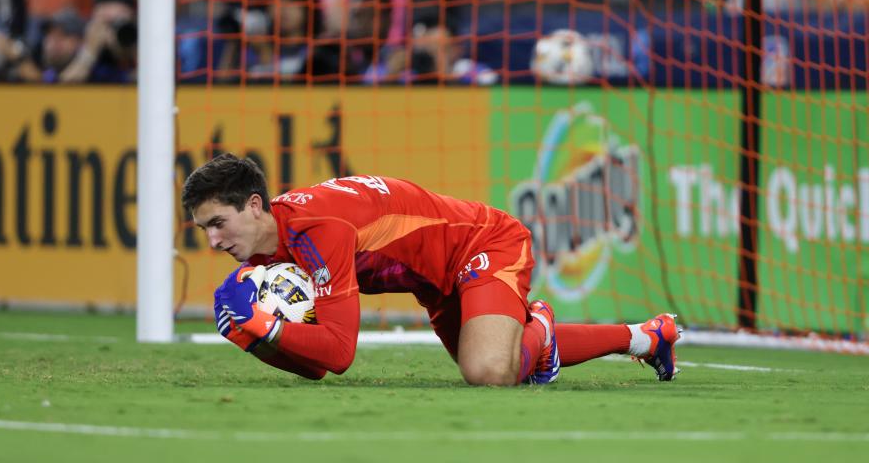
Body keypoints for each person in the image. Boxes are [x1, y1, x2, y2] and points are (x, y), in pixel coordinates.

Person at [182, 154, 681, 386]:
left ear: (254, 205)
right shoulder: (268, 254)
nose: (213, 241)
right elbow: (312, 368)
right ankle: (645, 336)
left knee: (488, 372)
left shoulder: (319, 231)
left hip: (482, 243)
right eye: (204, 229)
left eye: (219, 223)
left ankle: (542, 326)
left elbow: (337, 353)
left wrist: (263, 326)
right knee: (505, 363)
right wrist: (254, 339)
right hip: (434, 281)